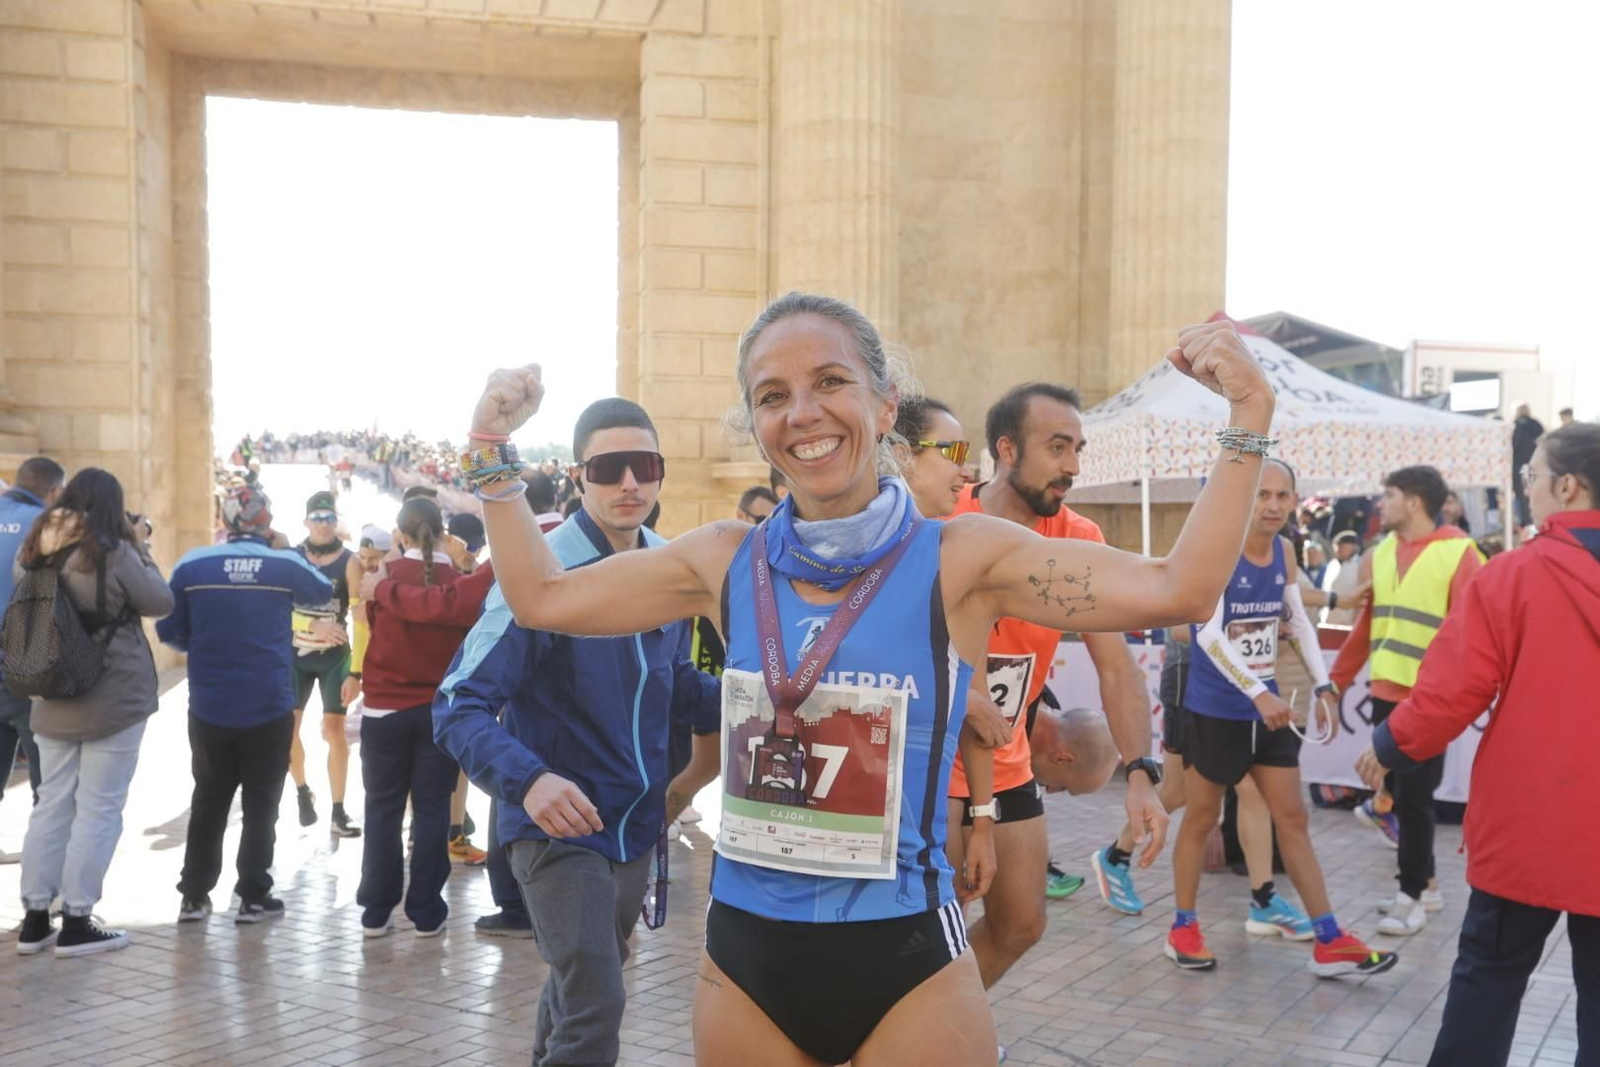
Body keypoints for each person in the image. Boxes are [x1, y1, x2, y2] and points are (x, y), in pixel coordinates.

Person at [470, 292, 1275, 1065]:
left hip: (907, 958)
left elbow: (1180, 588)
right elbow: (541, 597)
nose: (804, 413)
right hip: (748, 961)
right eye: (773, 394)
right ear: (757, 425)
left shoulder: (962, 557)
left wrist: (1247, 419)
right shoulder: (722, 559)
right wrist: (491, 452)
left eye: (830, 382)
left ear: (887, 405)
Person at [435, 397, 724, 1063]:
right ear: (577, 475)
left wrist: (764, 702)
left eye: (644, 465)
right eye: (610, 466)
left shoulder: (667, 563)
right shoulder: (542, 571)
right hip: (556, 831)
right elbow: (458, 703)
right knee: (597, 995)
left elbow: (676, 680)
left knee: (582, 984)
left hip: (633, 827)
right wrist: (528, 781)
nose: (630, 483)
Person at [1354, 421, 1600, 1065]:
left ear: (1567, 486)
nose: (1528, 490)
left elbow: (1448, 694)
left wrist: (1387, 744)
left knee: (1488, 981)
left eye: (1532, 477)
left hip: (1532, 826)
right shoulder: (1507, 571)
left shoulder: (1514, 576)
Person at [945, 381, 1167, 990]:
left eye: (1078, 449)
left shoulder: (1079, 538)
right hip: (933, 766)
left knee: (1021, 924)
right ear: (1007, 449)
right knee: (929, 930)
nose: (1072, 466)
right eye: (1058, 447)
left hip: (1007, 765)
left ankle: (937, 1032)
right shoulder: (944, 517)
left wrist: (1142, 773)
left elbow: (1115, 666)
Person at [1165, 458, 1395, 976]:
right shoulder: (1216, 553)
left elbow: (1295, 619)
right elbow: (1207, 633)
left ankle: (1329, 938)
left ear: (1294, 502)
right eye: (1261, 494)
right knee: (1200, 819)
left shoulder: (1285, 551)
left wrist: (1323, 684)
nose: (1271, 505)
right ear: (1242, 498)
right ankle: (1182, 925)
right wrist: (1254, 693)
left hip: (1268, 714)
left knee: (1293, 819)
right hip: (1216, 710)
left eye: (1281, 496)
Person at [12, 469, 173, 956]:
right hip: (111, 698)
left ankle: (36, 918)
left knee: (51, 803)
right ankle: (78, 918)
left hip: (50, 692)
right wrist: (140, 544)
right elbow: (159, 601)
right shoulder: (113, 551)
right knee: (99, 807)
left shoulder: (34, 549)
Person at [160, 486, 334, 923]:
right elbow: (320, 590)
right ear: (266, 521)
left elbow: (168, 628)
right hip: (268, 703)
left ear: (226, 519)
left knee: (209, 797)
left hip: (209, 703)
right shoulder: (284, 563)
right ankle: (254, 894)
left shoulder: (193, 564)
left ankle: (194, 896)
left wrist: (201, 648)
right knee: (262, 802)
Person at [1331, 466, 1483, 935]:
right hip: (1384, 694)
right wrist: (1335, 683)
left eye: (1390, 495)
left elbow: (1468, 638)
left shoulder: (1462, 554)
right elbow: (1365, 628)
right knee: (1403, 799)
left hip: (1429, 704)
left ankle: (1411, 896)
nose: (1381, 503)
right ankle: (1427, 886)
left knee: (1414, 801)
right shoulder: (1377, 556)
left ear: (1414, 502)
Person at [353, 496, 474, 938]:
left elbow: (370, 620)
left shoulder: (382, 577)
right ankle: (425, 910)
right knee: (432, 810)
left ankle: (376, 910)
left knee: (381, 809)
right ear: (442, 531)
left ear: (400, 534)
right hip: (436, 712)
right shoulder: (457, 580)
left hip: (384, 709)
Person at [0, 456, 66, 861]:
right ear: (54, 491)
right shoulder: (45, 525)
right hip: (26, 660)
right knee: (48, 775)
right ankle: (46, 875)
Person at [286, 491, 360, 837]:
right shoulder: (290, 558)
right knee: (287, 730)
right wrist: (312, 625)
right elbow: (276, 608)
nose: (324, 525)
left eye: (329, 518)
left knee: (335, 731)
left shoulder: (349, 561)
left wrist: (358, 671)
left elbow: (361, 618)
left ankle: (339, 810)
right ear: (305, 522)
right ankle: (302, 791)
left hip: (335, 658)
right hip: (296, 655)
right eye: (317, 518)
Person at [1511, 403, 1545, 529]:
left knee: (1520, 495)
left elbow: (1514, 445)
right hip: (1533, 464)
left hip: (1517, 465)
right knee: (1533, 492)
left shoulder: (1515, 426)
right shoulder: (1536, 425)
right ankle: (1535, 519)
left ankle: (1525, 521)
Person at [1322, 531, 1363, 626]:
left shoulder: (1361, 565)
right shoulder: (1332, 565)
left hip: (1350, 620)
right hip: (1329, 618)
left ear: (1352, 547)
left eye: (1342, 547)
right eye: (1337, 547)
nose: (1338, 551)